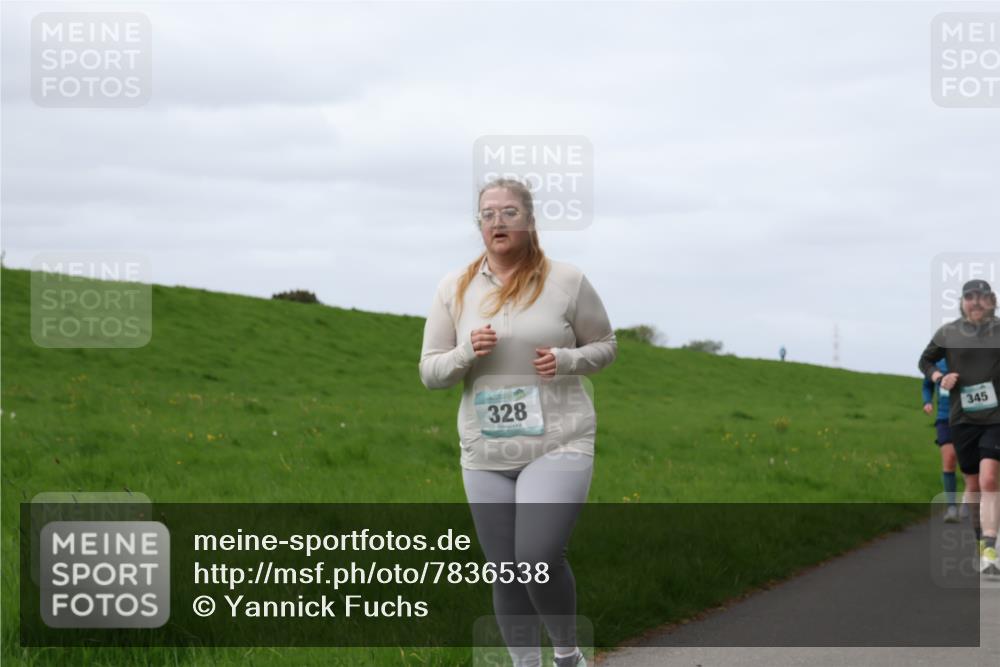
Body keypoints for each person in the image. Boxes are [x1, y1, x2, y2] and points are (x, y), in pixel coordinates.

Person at [419, 178, 617, 667]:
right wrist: (466, 352)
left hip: (558, 441)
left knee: (537, 559)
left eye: (509, 212)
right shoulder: (454, 289)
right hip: (486, 450)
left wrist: (567, 360)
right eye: (487, 214)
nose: (497, 221)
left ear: (529, 222)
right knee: (505, 571)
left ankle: (568, 655)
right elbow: (430, 371)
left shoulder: (566, 281)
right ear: (479, 225)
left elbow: (606, 345)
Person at [919, 278, 1000, 574]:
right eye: (970, 297)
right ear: (962, 302)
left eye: (981, 297)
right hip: (962, 419)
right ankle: (983, 545)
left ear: (991, 301)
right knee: (975, 485)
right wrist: (941, 378)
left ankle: (991, 546)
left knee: (990, 478)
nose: (975, 302)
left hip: (996, 418)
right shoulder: (948, 332)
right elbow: (925, 362)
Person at [922, 358, 962, 522]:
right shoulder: (937, 363)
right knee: (949, 458)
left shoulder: (968, 358)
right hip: (944, 418)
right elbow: (927, 385)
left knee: (970, 464)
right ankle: (951, 508)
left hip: (968, 418)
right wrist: (927, 401)